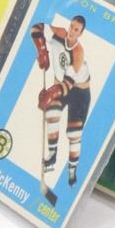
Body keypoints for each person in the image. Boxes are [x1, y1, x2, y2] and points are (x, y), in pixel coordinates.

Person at [31, 15, 91, 187]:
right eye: (71, 26)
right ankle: (52, 156)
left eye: (76, 30)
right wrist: (41, 50)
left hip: (78, 91)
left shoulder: (78, 52)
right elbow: (36, 27)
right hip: (61, 85)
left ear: (80, 34)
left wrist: (50, 93)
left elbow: (68, 84)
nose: (71, 31)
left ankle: (72, 171)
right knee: (52, 111)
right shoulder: (59, 34)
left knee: (73, 134)